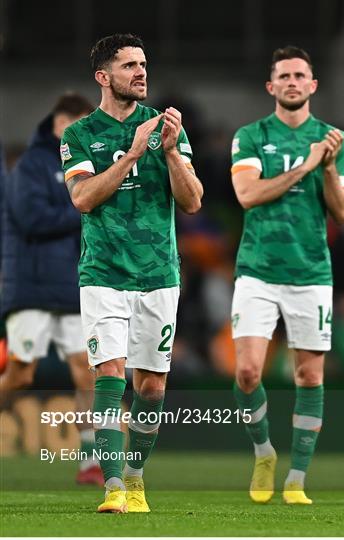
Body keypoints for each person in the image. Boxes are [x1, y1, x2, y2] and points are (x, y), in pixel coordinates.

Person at [61, 33, 203, 514]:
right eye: (129, 66)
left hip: (159, 274)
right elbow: (82, 199)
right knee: (109, 376)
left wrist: (167, 152)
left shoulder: (167, 129)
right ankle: (114, 485)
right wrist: (133, 154)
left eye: (143, 64)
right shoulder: (79, 135)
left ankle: (138, 477)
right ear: (104, 77)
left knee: (151, 388)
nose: (141, 72)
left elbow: (192, 202)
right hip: (102, 273)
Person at [230, 46, 344, 505]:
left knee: (308, 377)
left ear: (313, 84)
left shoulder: (335, 140)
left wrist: (324, 169)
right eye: (283, 76)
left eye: (300, 75)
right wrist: (305, 164)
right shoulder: (250, 135)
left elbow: (343, 211)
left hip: (310, 272)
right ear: (271, 87)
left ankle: (297, 478)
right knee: (246, 372)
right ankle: (264, 452)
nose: (292, 82)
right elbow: (246, 194)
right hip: (258, 269)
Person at [0, 93, 102, 485]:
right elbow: (31, 219)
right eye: (75, 125)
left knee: (86, 372)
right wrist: (83, 206)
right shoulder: (32, 165)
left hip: (73, 285)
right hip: (31, 286)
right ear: (60, 123)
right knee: (21, 375)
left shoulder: (85, 164)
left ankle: (90, 461)